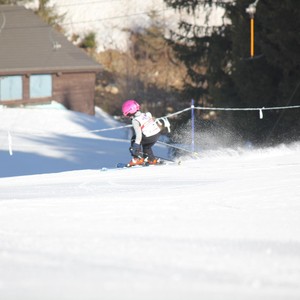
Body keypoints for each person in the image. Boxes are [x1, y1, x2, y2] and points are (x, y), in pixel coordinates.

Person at [122, 99, 163, 166]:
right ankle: (151, 160)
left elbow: (138, 136)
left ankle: (137, 159)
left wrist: (135, 147)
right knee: (146, 147)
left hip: (149, 136)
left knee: (134, 138)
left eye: (127, 114)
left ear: (130, 111)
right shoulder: (146, 114)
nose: (128, 116)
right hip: (156, 134)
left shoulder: (135, 121)